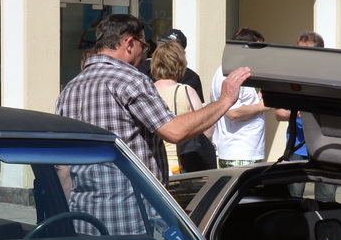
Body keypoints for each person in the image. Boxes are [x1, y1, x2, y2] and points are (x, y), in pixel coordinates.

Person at [56, 15, 250, 228]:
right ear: (129, 43)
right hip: (131, 216)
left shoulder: (70, 89)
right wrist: (225, 100)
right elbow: (174, 131)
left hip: (83, 217)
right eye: (144, 46)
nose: (144, 53)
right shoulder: (130, 79)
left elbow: (63, 167)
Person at [211, 27, 270, 167]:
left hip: (245, 151)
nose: (262, 55)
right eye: (259, 49)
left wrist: (258, 98)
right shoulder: (231, 73)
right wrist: (262, 106)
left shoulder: (239, 71)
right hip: (239, 152)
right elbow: (233, 113)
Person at [152, 38, 212, 174]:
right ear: (180, 63)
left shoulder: (147, 91)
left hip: (153, 165)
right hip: (180, 166)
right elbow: (206, 131)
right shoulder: (186, 91)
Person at [276, 30, 325, 160]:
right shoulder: (290, 78)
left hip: (323, 148)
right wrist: (297, 114)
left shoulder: (327, 79)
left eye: (306, 51)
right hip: (297, 149)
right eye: (299, 50)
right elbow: (279, 114)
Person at [140, 28, 204, 97]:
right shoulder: (142, 69)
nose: (166, 52)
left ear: (182, 54)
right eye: (163, 46)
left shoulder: (191, 78)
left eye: (173, 50)